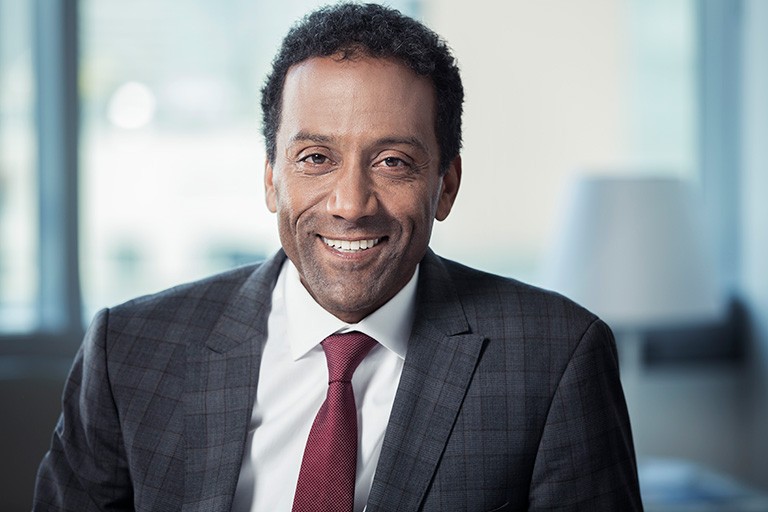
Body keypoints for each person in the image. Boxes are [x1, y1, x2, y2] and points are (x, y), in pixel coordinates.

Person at [33, 3, 643, 511]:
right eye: (316, 158)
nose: (351, 204)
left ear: (447, 186)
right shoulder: (131, 351)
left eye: (393, 162)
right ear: (272, 179)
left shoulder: (557, 358)